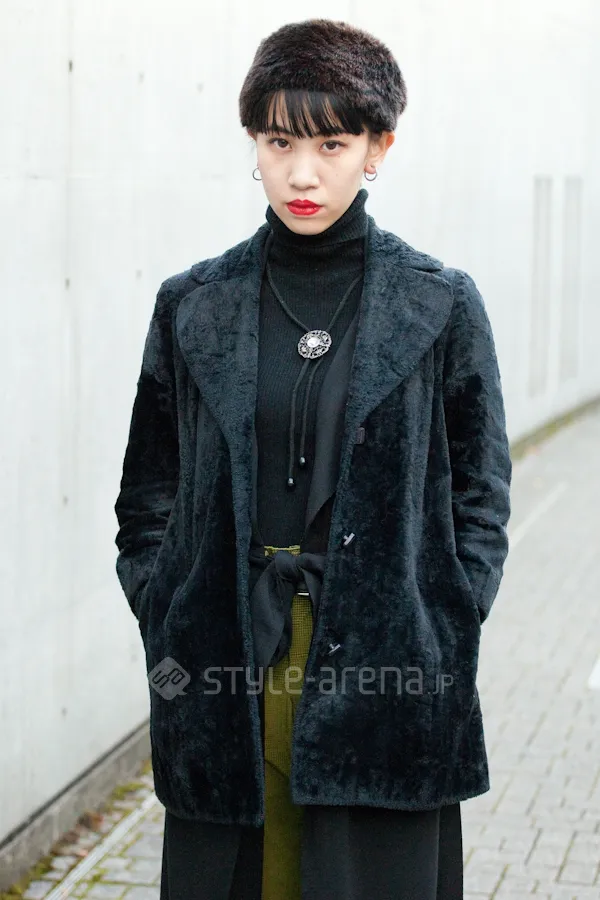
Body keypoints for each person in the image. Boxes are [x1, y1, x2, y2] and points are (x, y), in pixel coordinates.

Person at [113, 17, 512, 900]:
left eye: (332, 144)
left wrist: (446, 614)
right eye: (279, 142)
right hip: (224, 663)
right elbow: (148, 494)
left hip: (388, 672)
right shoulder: (194, 305)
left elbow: (482, 495)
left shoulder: (440, 304)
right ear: (253, 144)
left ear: (378, 148)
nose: (302, 173)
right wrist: (165, 608)